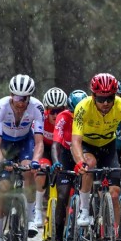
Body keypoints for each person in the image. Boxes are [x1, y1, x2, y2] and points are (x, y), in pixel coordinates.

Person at [71, 73, 121, 241]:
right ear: (93, 95)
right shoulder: (83, 107)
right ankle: (84, 210)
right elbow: (75, 141)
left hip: (109, 146)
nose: (105, 103)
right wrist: (80, 162)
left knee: (115, 194)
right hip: (88, 146)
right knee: (89, 164)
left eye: (109, 98)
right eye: (101, 99)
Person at [0, 74, 44, 241]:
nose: (21, 102)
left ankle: (29, 218)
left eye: (25, 98)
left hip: (25, 142)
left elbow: (39, 142)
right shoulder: (0, 107)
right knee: (3, 189)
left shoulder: (37, 108)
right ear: (11, 95)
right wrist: (2, 161)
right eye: (17, 97)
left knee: (29, 171)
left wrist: (36, 161)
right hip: (5, 144)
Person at [49, 89, 88, 241]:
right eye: (73, 112)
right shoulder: (63, 117)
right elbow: (56, 144)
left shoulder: (90, 115)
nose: (75, 115)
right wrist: (56, 162)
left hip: (84, 153)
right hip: (65, 154)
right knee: (63, 195)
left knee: (88, 191)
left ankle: (83, 238)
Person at [33, 87, 68, 228]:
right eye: (52, 111)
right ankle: (37, 210)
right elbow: (37, 143)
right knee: (41, 172)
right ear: (46, 110)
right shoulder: (41, 119)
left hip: (61, 151)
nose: (55, 115)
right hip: (45, 150)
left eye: (59, 111)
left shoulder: (66, 120)